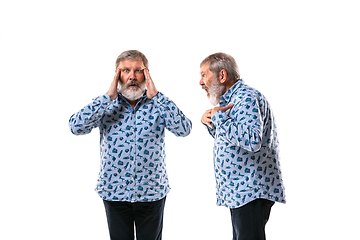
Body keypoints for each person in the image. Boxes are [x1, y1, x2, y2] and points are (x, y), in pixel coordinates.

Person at [69, 50, 192, 240]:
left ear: (147, 74)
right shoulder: (105, 105)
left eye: (138, 70)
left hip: (151, 193)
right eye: (126, 70)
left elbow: (184, 129)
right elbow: (75, 127)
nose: (132, 76)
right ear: (117, 74)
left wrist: (157, 96)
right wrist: (107, 97)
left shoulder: (158, 104)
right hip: (114, 192)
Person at [199, 52, 285, 240]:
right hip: (240, 190)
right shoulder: (231, 100)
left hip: (250, 190)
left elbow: (252, 140)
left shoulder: (245, 98)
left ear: (222, 76)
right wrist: (210, 124)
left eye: (204, 75)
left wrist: (219, 117)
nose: (200, 82)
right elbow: (233, 140)